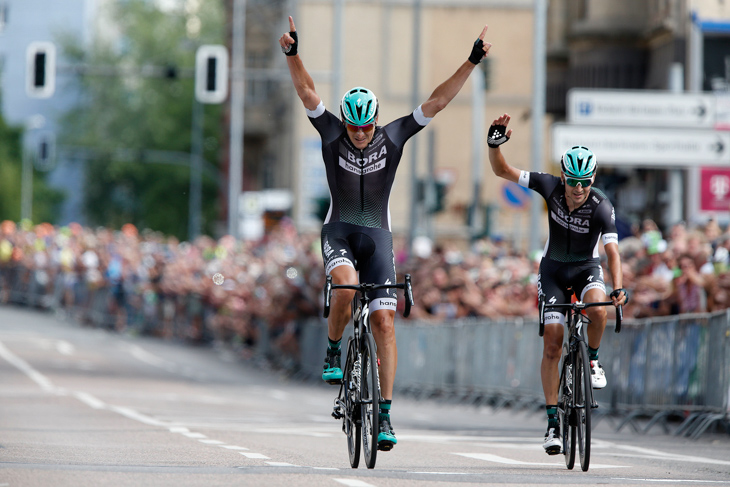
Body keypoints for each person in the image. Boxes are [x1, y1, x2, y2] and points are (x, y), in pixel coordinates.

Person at [280, 15, 491, 451]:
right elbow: (306, 91)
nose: (358, 135)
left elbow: (437, 101)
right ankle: (334, 351)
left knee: (384, 323)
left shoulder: (393, 136)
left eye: (365, 127)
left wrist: (470, 61)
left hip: (378, 235)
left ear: (376, 121)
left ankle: (386, 415)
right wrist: (293, 54)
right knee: (345, 285)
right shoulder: (331, 131)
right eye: (352, 127)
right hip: (338, 230)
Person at [485, 113, 628, 455]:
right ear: (563, 176)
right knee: (553, 341)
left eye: (585, 182)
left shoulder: (601, 206)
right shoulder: (548, 185)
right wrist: (494, 145)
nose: (578, 189)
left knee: (599, 308)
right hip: (552, 272)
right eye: (572, 181)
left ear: (592, 180)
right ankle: (552, 423)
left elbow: (612, 252)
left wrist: (618, 288)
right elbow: (502, 170)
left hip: (586, 267)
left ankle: (591, 359)